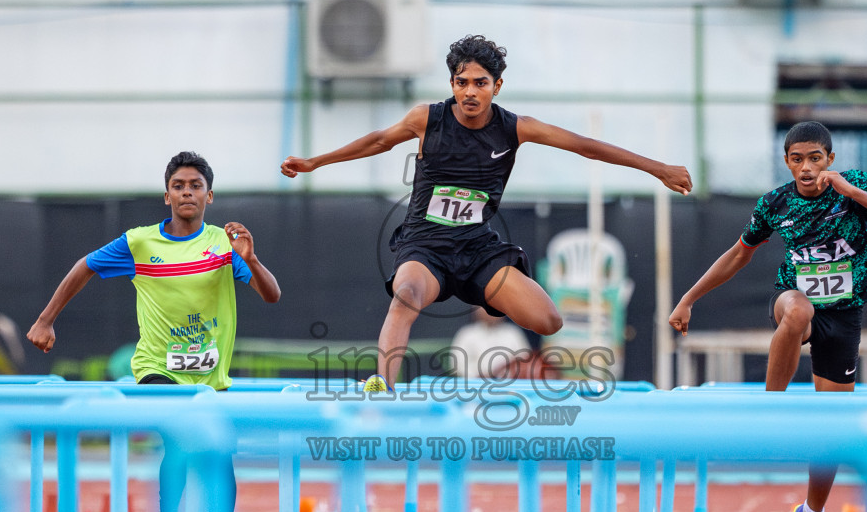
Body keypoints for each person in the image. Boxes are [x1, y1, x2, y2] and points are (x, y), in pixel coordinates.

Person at [280, 34, 691, 388]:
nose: (470, 92)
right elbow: (378, 141)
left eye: (480, 83)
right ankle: (381, 388)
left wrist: (657, 169)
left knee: (549, 321)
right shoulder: (428, 119)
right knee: (404, 296)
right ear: (452, 84)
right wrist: (317, 162)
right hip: (426, 246)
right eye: (462, 83)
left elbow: (585, 145)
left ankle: (486, 303)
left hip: (478, 249)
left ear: (497, 85)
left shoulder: (516, 128)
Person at [668, 120, 867, 512]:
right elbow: (738, 255)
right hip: (793, 301)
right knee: (798, 311)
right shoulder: (775, 203)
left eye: (815, 158)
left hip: (844, 315)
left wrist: (848, 190)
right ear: (786, 161)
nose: (806, 167)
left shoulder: (854, 185)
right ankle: (770, 413)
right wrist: (688, 299)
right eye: (797, 159)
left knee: (831, 435)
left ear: (830, 159)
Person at [26, 151, 280, 512]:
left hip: (210, 376)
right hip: (157, 369)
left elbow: (271, 295)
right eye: (179, 185)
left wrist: (251, 259)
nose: (187, 192)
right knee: (181, 438)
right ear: (167, 196)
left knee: (220, 457)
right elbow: (83, 267)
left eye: (195, 186)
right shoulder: (139, 242)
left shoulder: (224, 244)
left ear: (209, 196)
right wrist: (46, 318)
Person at [447, 305, 530, 379]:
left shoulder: (513, 333)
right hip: (474, 386)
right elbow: (458, 365)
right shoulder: (467, 334)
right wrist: (480, 375)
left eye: (495, 307)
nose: (490, 312)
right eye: (484, 307)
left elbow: (525, 361)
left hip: (508, 386)